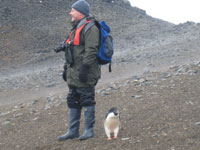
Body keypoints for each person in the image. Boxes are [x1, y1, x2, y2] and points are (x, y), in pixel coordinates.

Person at [55, 0, 100, 141]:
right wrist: (66, 69)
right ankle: (73, 131)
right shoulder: (75, 28)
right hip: (74, 72)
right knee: (73, 100)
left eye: (72, 10)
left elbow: (92, 50)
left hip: (85, 72)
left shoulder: (91, 28)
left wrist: (85, 68)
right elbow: (73, 51)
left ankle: (89, 130)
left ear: (80, 12)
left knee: (87, 99)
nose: (70, 12)